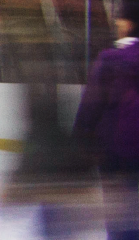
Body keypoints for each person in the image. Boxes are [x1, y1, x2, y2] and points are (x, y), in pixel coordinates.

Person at [76, 12, 139, 240]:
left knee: (119, 213)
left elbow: (91, 105)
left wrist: (81, 139)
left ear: (130, 24)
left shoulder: (111, 59)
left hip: (116, 151)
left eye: (121, 21)